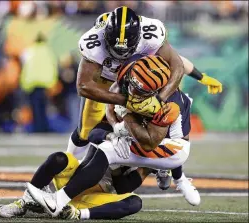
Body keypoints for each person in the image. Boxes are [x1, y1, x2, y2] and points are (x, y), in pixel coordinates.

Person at [26, 54, 201, 217]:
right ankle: (32, 201)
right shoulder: (133, 79)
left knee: (111, 151)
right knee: (105, 147)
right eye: (132, 83)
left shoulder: (169, 106)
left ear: (154, 92)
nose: (131, 90)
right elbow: (104, 118)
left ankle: (176, 177)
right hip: (147, 140)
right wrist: (116, 127)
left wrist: (126, 117)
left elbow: (150, 143)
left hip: (172, 147)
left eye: (138, 88)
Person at [67, 6, 222, 163]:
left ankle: (163, 169)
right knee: (86, 130)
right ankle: (69, 161)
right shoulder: (93, 43)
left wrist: (162, 98)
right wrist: (124, 101)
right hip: (105, 80)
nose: (121, 55)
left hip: (139, 84)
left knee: (161, 115)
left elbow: (177, 64)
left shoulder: (151, 37)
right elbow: (84, 86)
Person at [0, 137, 154, 220]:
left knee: (135, 203)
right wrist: (108, 137)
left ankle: (75, 214)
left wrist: (116, 166)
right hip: (74, 182)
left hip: (96, 196)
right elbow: (88, 142)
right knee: (59, 158)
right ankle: (25, 201)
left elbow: (123, 187)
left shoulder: (155, 151)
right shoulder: (116, 125)